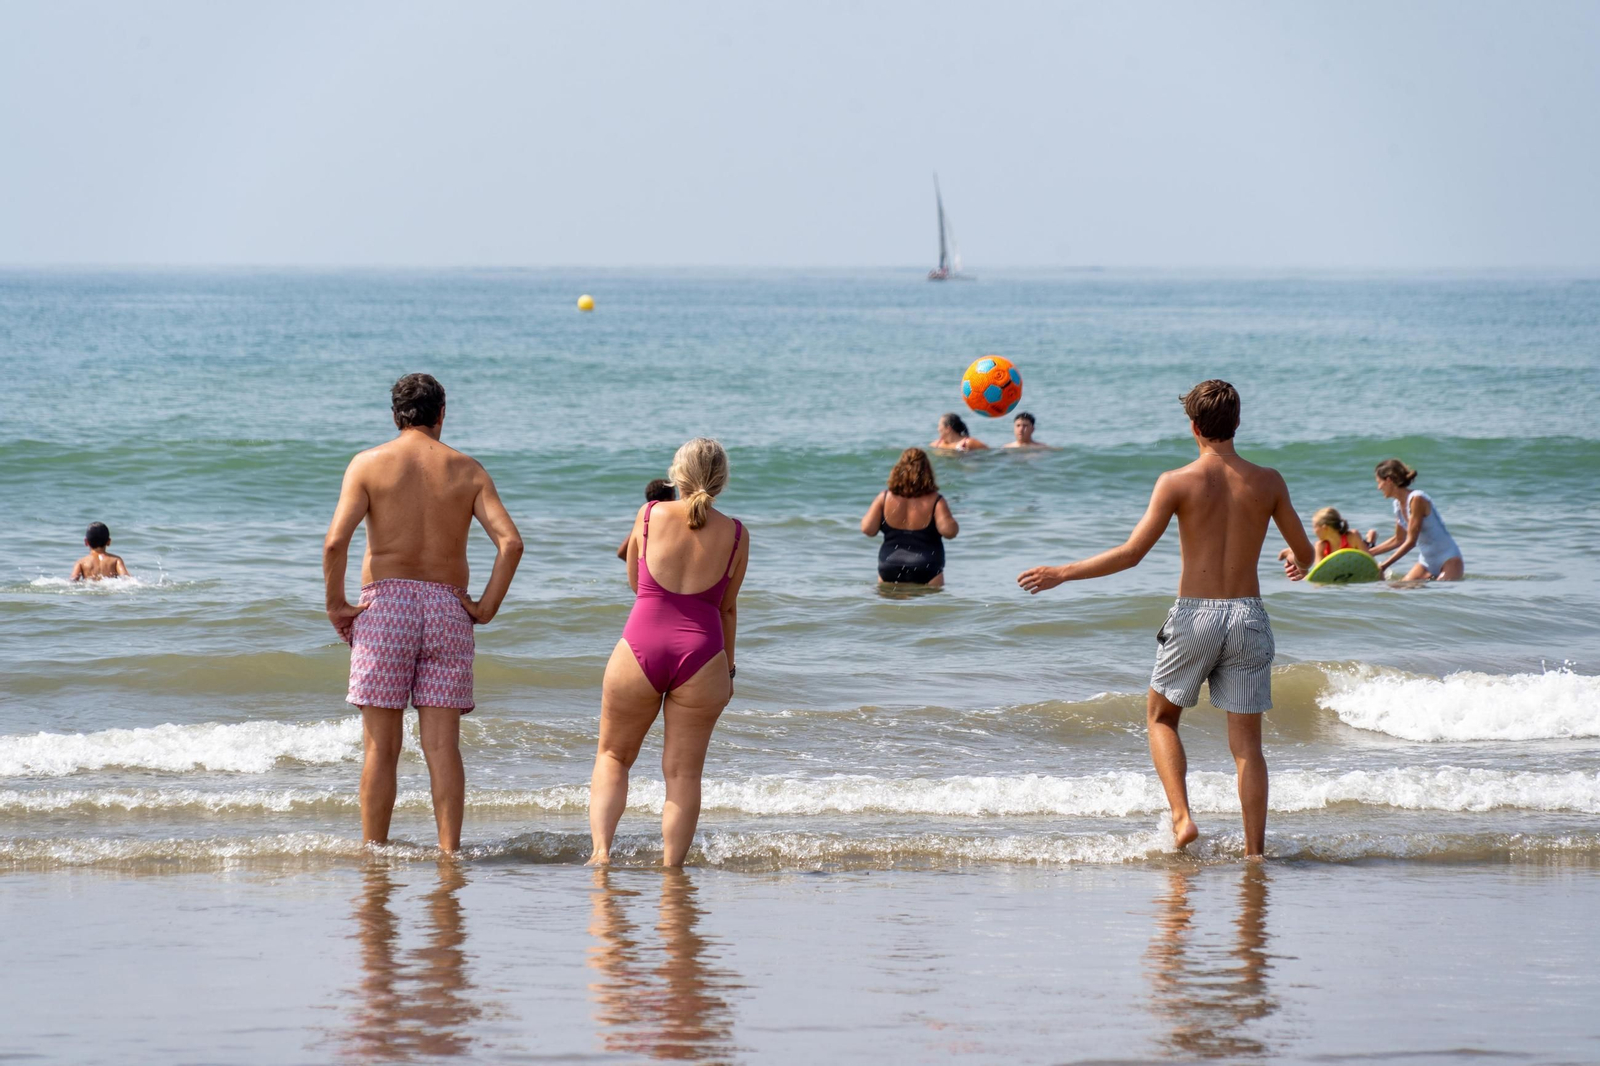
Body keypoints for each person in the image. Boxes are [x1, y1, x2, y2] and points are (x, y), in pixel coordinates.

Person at [1016, 380, 1314, 858]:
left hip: (1195, 616)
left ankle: (1182, 818)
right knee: (1247, 748)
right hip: (1248, 616)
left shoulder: (1176, 482)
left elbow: (1131, 554)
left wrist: (1062, 573)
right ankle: (1254, 853)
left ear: (1193, 427)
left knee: (1161, 717)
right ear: (1238, 423)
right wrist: (1297, 562)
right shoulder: (1269, 481)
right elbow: (1307, 554)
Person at [323, 373, 524, 853]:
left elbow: (334, 544)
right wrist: (485, 608)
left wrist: (337, 605)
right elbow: (511, 543)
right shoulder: (468, 471)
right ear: (442, 414)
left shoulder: (367, 464)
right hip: (447, 607)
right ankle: (449, 852)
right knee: (442, 746)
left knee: (381, 747)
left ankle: (375, 851)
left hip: (385, 606)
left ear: (396, 416)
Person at [589, 437, 750, 867]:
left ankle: (601, 855)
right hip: (703, 654)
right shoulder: (737, 534)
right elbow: (727, 608)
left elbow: (635, 582)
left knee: (613, 756)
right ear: (721, 480)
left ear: (677, 475)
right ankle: (671, 870)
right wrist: (728, 672)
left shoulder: (648, 515)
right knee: (683, 774)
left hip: (641, 644)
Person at [860, 448, 959, 586]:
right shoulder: (936, 501)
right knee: (931, 600)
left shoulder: (884, 498)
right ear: (927, 472)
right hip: (926, 567)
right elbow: (949, 532)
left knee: (889, 600)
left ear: (898, 470)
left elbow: (868, 529)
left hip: (890, 567)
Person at [1367, 459, 1464, 581]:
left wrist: (1384, 566)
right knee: (1398, 587)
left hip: (1449, 559)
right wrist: (1368, 553)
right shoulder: (1397, 505)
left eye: (1379, 482)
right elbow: (1398, 539)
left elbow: (1411, 541)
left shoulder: (1416, 499)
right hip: (1426, 563)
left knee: (1441, 590)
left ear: (1388, 480)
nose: (1378, 487)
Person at [1279, 506, 1376, 570]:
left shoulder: (1352, 536)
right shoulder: (1321, 546)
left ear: (1325, 528)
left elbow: (1368, 559)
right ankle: (1289, 551)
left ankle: (1371, 537)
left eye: (1315, 527)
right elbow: (1317, 572)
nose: (1314, 531)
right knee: (1308, 553)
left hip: (1358, 550)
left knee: (1369, 546)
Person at [617, 479, 678, 560]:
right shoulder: (673, 522)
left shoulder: (645, 522)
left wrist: (642, 565)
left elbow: (622, 553)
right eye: (674, 497)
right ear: (667, 500)